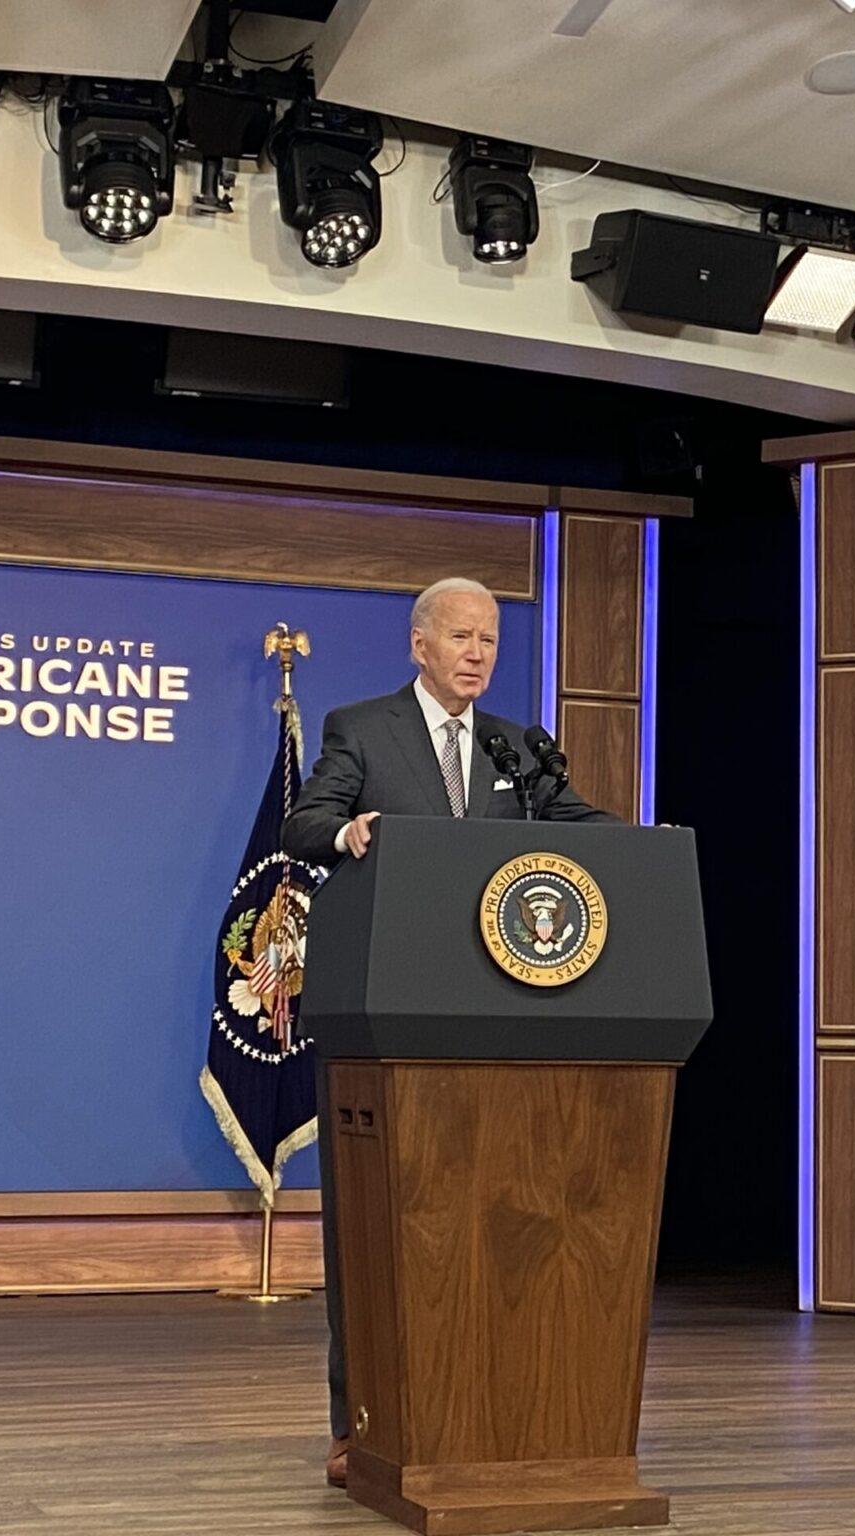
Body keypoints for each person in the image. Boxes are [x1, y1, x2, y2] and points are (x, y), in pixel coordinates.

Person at [281, 575, 617, 1488]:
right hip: (388, 1016)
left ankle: (497, 1412)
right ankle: (365, 1422)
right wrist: (352, 833)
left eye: (491, 641)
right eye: (461, 637)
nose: (477, 653)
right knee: (383, 1233)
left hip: (502, 1021)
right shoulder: (361, 728)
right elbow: (306, 822)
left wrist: (641, 848)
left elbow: (575, 825)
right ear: (420, 645)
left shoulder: (516, 747)